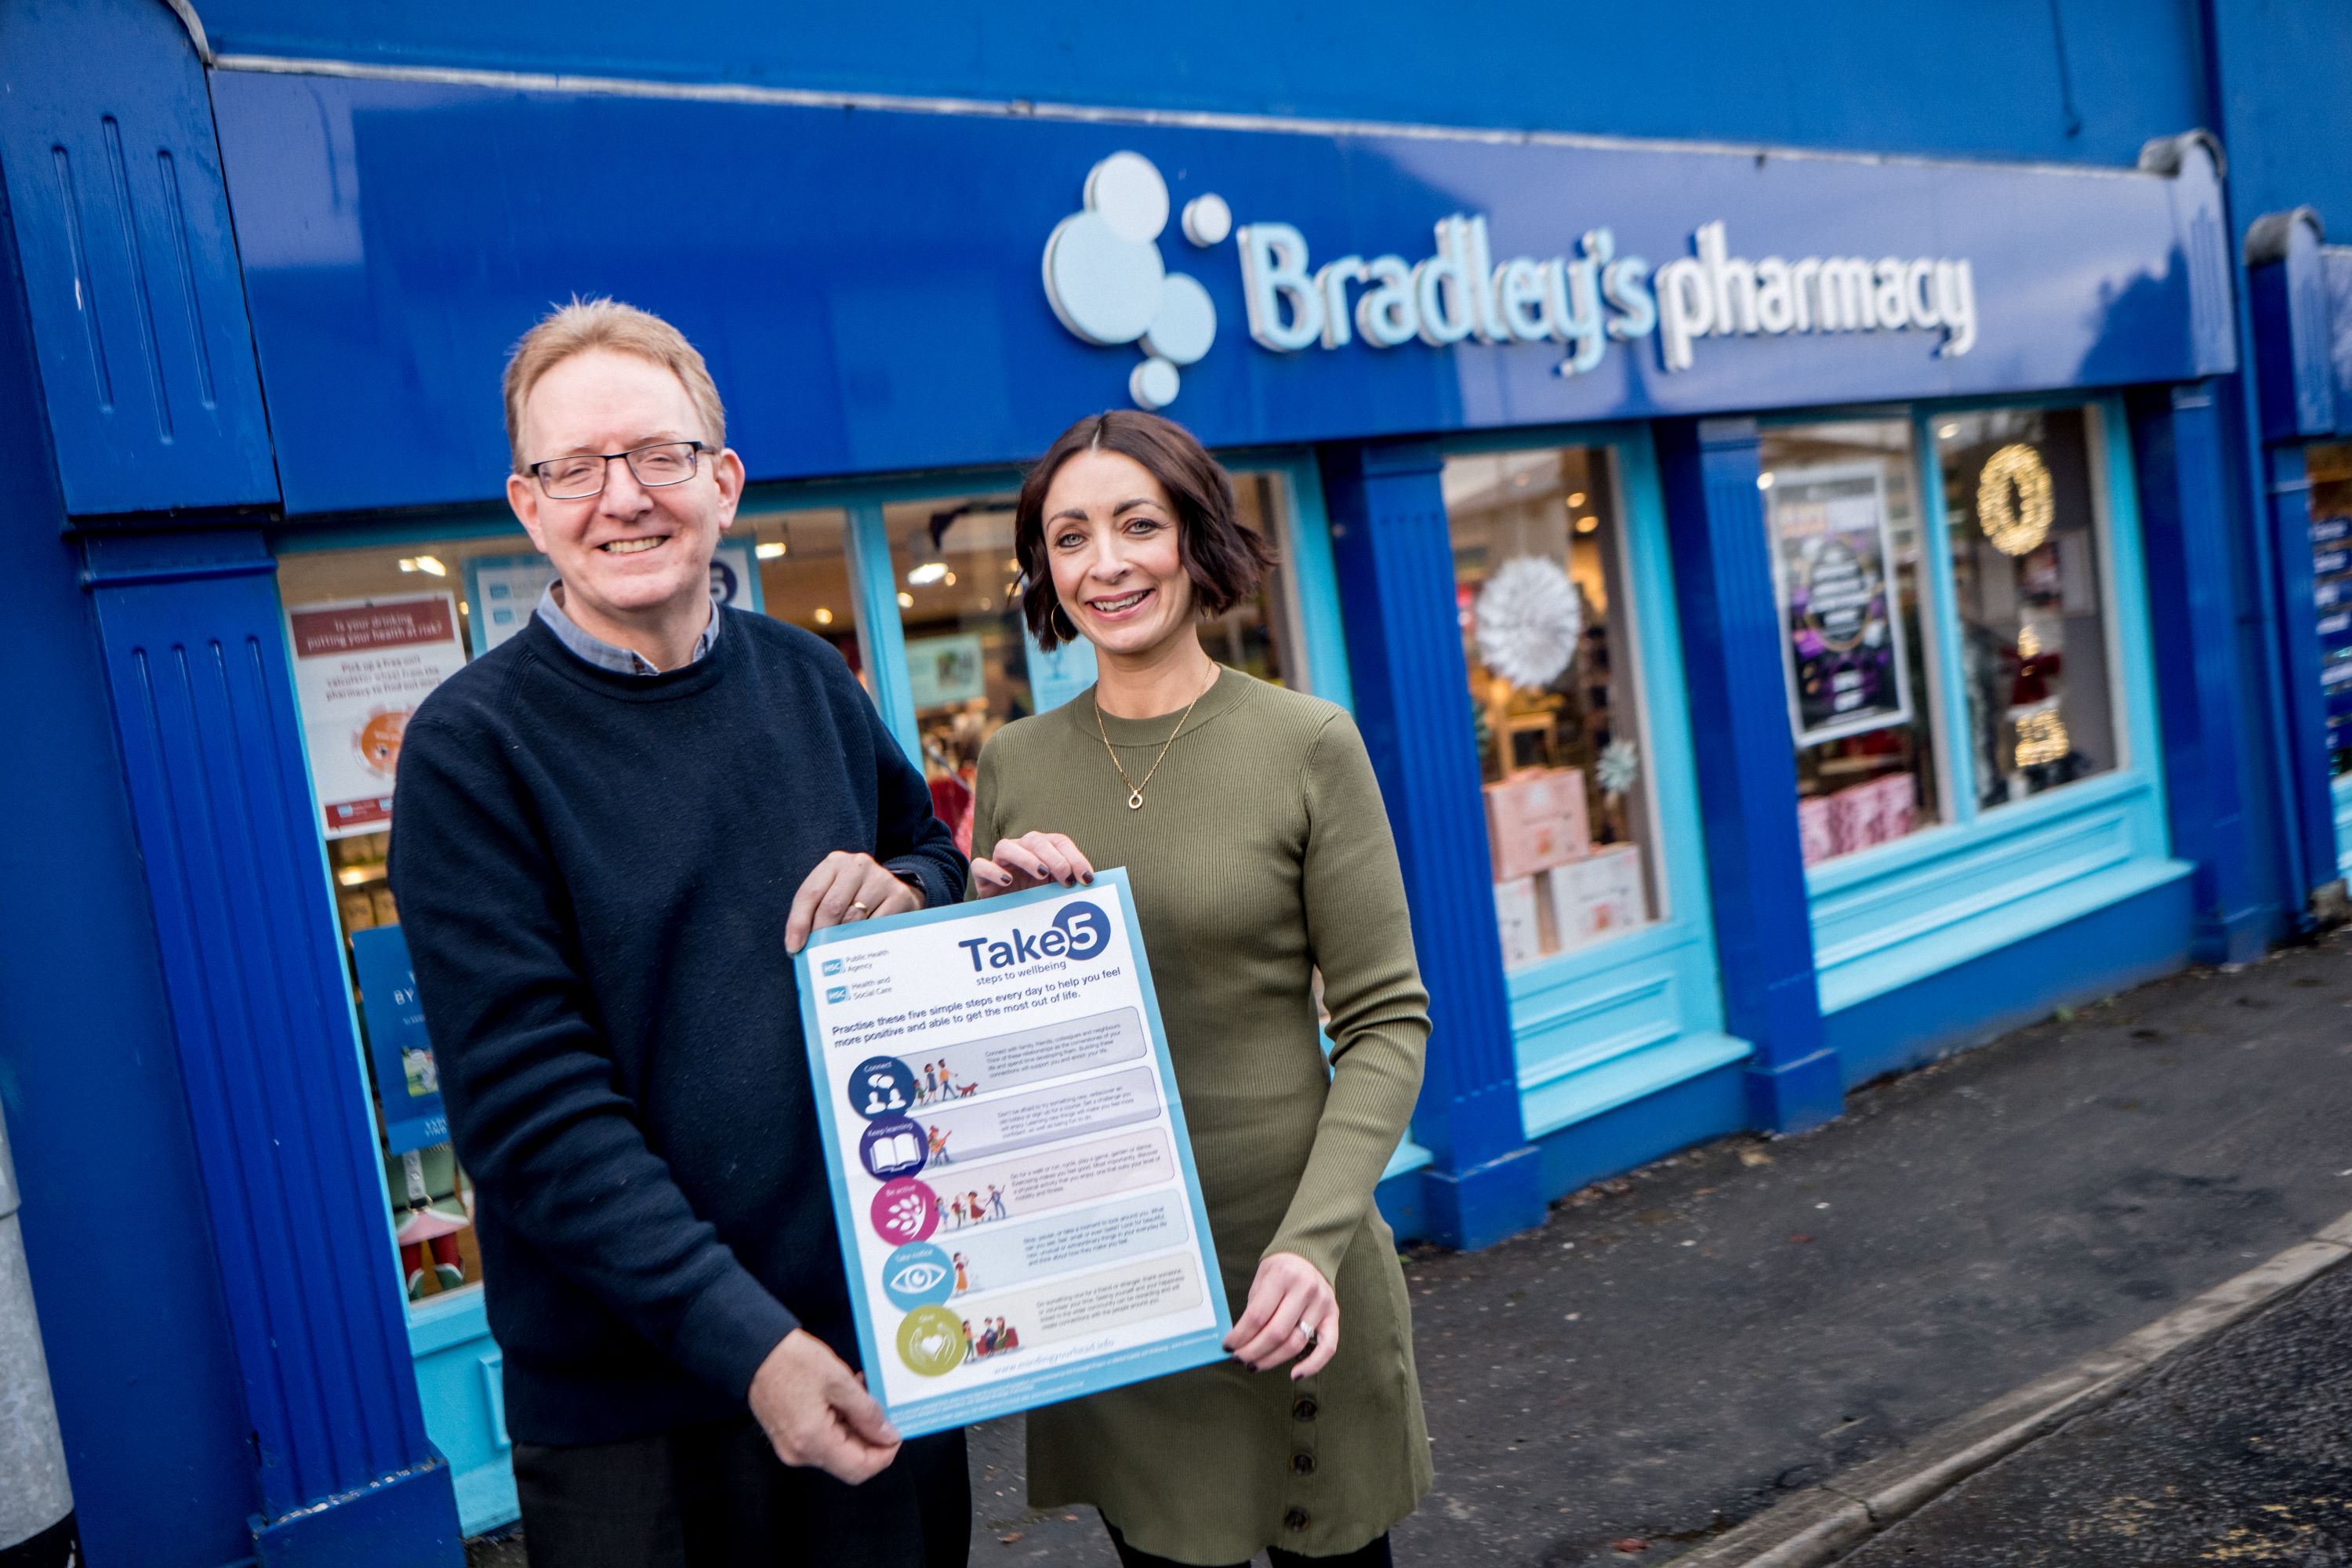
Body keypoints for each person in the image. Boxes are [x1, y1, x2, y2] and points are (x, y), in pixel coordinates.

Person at [389, 299, 971, 1568]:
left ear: (724, 480)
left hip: (881, 1341)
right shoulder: (470, 752)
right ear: (526, 506)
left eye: (657, 455)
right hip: (634, 1428)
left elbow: (929, 847)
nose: (622, 498)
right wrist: (751, 1347)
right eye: (573, 469)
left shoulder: (810, 680)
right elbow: (534, 1117)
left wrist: (915, 892)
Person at [969, 410, 1432, 1568]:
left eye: (1139, 525)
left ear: (1197, 540)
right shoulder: (1015, 763)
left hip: (1287, 1270)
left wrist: (1312, 1244)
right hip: (1118, 1279)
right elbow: (997, 1047)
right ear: (1046, 569)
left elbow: (1385, 1023)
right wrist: (992, 926)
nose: (1106, 562)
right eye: (1070, 537)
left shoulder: (1307, 742)